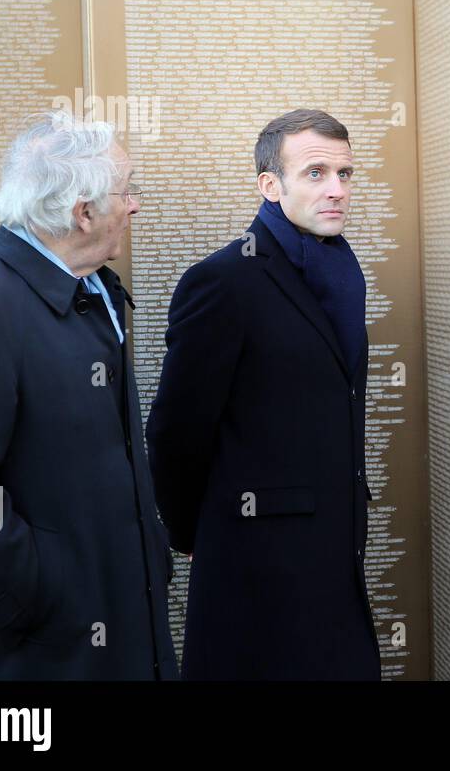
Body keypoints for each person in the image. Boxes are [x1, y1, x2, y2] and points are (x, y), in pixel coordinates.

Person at [0, 111, 177, 679]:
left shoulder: (88, 287)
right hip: (37, 658)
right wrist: (45, 593)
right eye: (125, 192)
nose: (134, 205)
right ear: (82, 213)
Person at [147, 108, 380, 680]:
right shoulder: (224, 281)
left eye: (345, 174)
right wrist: (190, 531)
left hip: (333, 552)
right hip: (253, 562)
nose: (336, 190)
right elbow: (176, 430)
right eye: (316, 173)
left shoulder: (341, 272)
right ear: (269, 186)